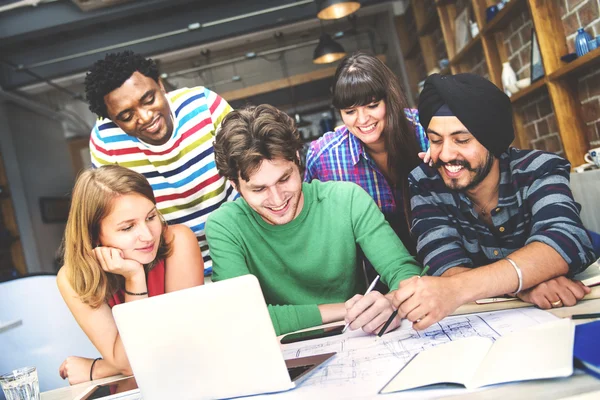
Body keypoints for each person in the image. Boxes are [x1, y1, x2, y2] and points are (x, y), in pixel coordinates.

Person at [392, 73, 596, 330]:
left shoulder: (539, 169)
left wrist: (459, 288)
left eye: (462, 140)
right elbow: (445, 266)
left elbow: (565, 240)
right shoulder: (425, 183)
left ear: (492, 140)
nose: (445, 154)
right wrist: (524, 284)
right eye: (435, 140)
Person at [205, 104, 423, 336]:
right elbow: (242, 317)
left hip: (359, 341)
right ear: (234, 185)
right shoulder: (224, 226)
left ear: (297, 159)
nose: (277, 199)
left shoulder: (346, 199)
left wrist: (391, 302)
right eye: (259, 189)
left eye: (284, 179)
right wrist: (348, 311)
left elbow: (405, 272)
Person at [86, 50, 236, 276]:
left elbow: (248, 170)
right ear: (112, 119)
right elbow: (116, 213)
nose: (145, 117)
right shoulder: (105, 141)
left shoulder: (203, 105)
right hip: (172, 263)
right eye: (126, 116)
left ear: (160, 84)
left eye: (149, 100)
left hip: (238, 243)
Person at [57, 165, 204, 385]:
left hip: (192, 380)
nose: (147, 236)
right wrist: (134, 278)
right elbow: (128, 363)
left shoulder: (178, 241)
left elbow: (182, 345)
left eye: (151, 217)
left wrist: (99, 368)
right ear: (94, 235)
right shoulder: (74, 277)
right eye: (127, 228)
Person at [304, 52, 428, 255]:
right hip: (371, 271)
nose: (362, 120)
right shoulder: (323, 157)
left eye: (372, 106)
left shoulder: (426, 130)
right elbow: (314, 226)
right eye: (350, 111)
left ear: (390, 99)